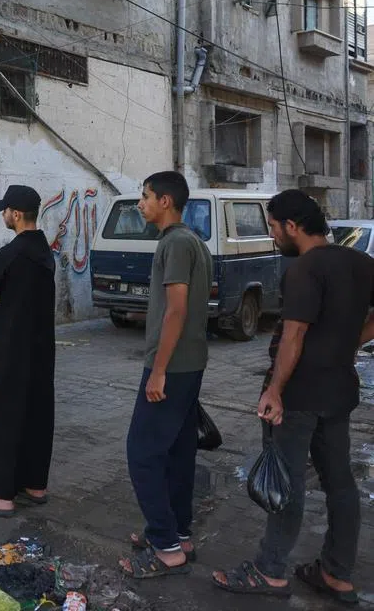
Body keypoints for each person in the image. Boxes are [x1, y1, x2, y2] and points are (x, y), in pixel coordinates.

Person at [212, 191, 372, 602]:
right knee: (340, 484)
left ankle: (270, 571)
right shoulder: (361, 263)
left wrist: (275, 391)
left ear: (293, 227)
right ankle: (337, 574)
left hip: (299, 393)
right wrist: (350, 344)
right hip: (339, 389)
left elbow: (294, 336)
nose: (272, 234)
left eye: (273, 226)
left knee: (288, 482)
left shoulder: (304, 270)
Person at [113, 172, 212, 579]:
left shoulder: (176, 243)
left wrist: (158, 371)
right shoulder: (192, 242)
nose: (141, 203)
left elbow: (176, 309)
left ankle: (166, 546)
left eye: (145, 195)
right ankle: (179, 534)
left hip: (171, 367)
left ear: (166, 201)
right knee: (177, 452)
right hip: (189, 363)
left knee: (143, 453)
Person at [0, 185, 56, 516]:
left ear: (16, 215)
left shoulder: (9, 255)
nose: (3, 215)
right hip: (41, 351)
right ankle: (35, 484)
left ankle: (1, 495)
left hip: (8, 351)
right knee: (37, 413)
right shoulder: (45, 254)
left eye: (5, 210)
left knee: (3, 416)